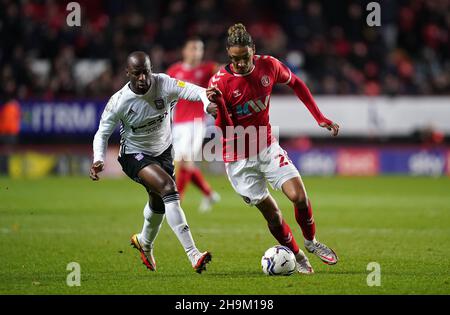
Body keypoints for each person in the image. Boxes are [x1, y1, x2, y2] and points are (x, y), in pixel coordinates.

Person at [206, 24, 340, 274]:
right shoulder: (219, 83)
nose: (241, 63)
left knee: (299, 197)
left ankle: (311, 242)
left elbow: (297, 83)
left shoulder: (269, 65)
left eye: (245, 57)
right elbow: (226, 128)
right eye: (235, 59)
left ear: (253, 50)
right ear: (228, 54)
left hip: (266, 147)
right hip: (238, 160)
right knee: (274, 215)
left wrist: (319, 117)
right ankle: (298, 257)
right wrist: (218, 107)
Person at [90, 51, 215, 273]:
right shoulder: (119, 101)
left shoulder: (164, 83)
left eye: (146, 72)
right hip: (134, 155)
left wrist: (207, 104)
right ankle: (193, 254)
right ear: (127, 73)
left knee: (158, 204)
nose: (142, 78)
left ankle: (144, 242)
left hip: (164, 152)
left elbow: (196, 91)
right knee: (169, 189)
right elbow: (102, 133)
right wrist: (98, 159)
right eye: (137, 73)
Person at [167, 37, 220, 212]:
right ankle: (209, 194)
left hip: (197, 122)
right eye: (193, 48)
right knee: (185, 163)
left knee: (183, 160)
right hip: (178, 123)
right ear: (185, 51)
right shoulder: (174, 70)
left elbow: (224, 71)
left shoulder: (207, 69)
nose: (197, 52)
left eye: (200, 49)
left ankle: (176, 201)